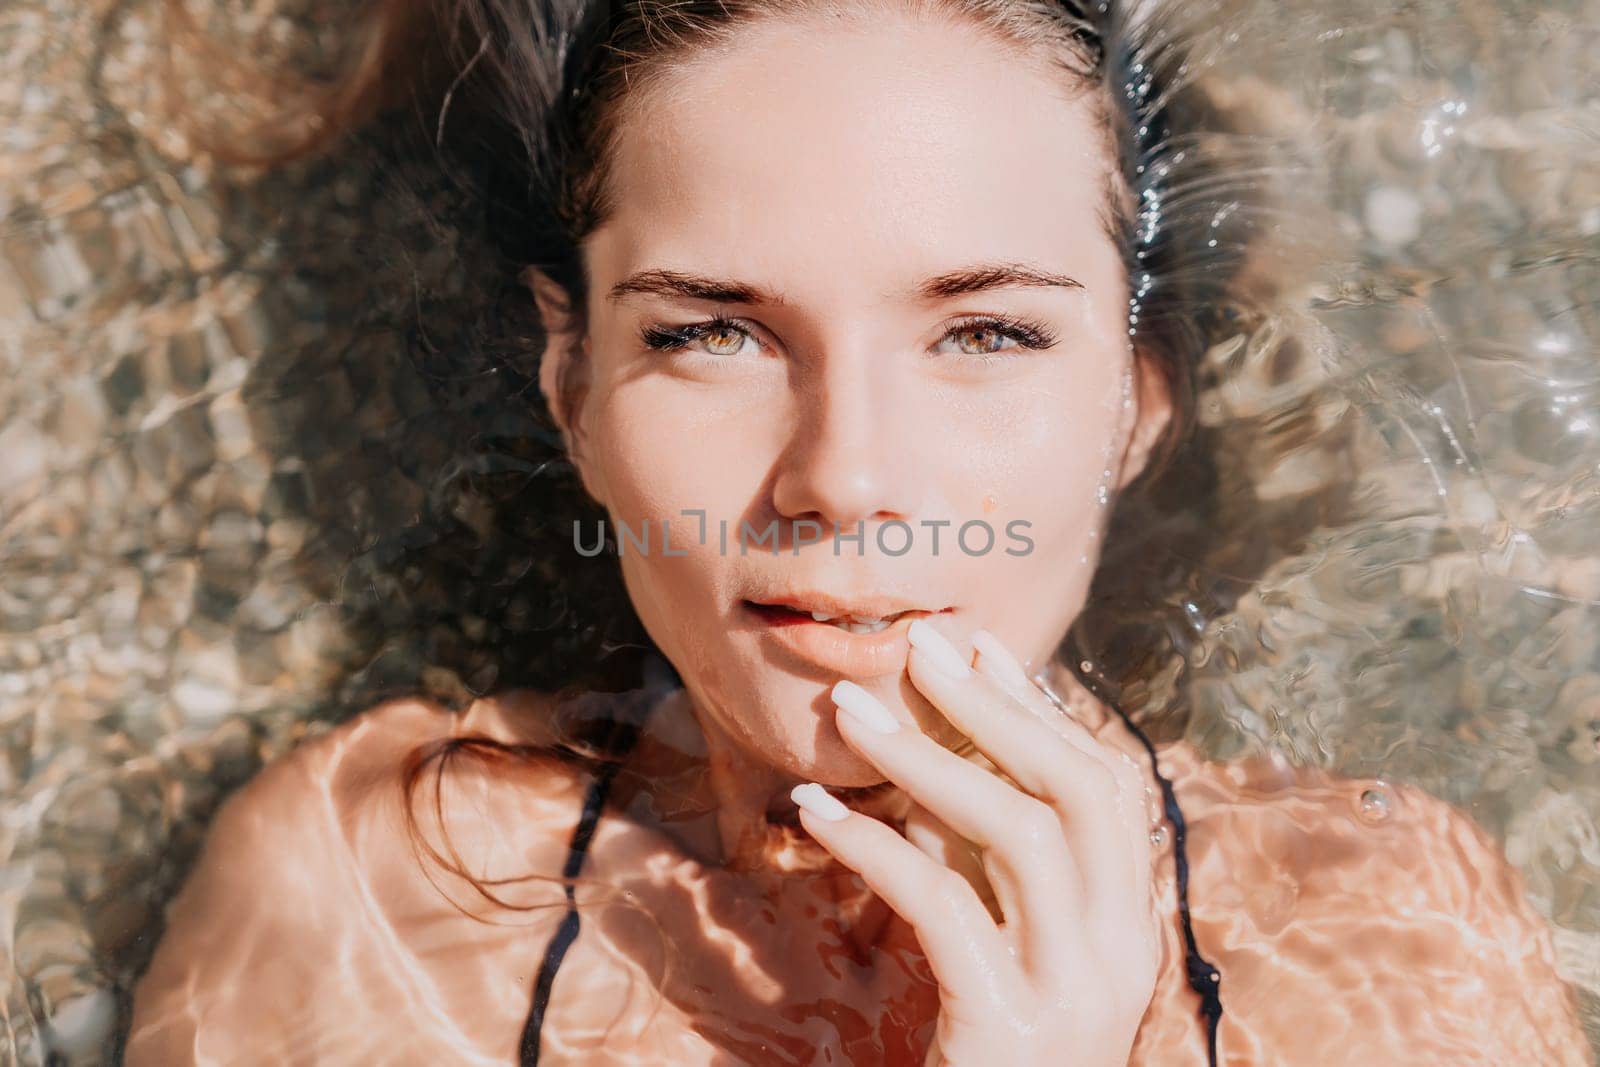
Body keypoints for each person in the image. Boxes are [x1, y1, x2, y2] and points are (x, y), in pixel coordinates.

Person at [125, 1, 1591, 1063]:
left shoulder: (1382, 929)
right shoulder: (363, 892)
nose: (844, 475)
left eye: (988, 334)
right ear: (568, 382)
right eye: (713, 332)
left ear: (1139, 401)